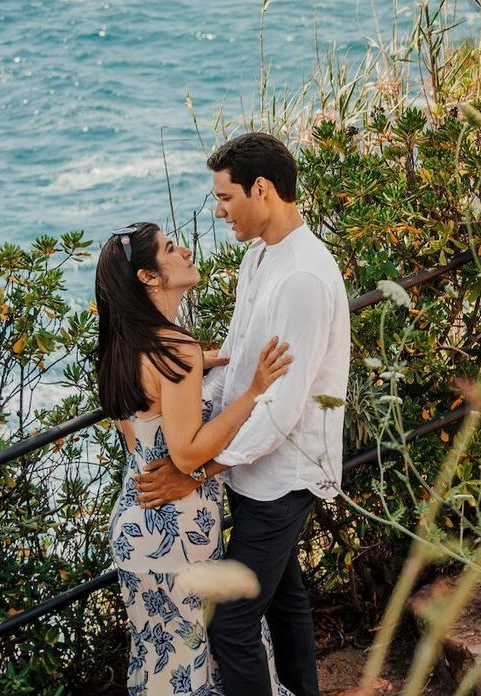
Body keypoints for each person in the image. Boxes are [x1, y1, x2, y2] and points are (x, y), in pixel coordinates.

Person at [135, 132, 351, 696]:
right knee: (285, 600)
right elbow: (240, 365)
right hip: (251, 470)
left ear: (261, 189)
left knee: (231, 624)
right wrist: (187, 380)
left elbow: (283, 409)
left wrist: (197, 470)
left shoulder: (302, 278)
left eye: (226, 198)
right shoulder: (259, 256)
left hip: (283, 476)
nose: (219, 211)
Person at [95, 221, 293, 696]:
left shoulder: (123, 345)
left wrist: (202, 361)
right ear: (148, 276)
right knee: (201, 662)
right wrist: (254, 390)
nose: (185, 251)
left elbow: (145, 418)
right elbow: (186, 454)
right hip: (178, 530)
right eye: (170, 248)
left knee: (165, 664)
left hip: (136, 525)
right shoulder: (175, 349)